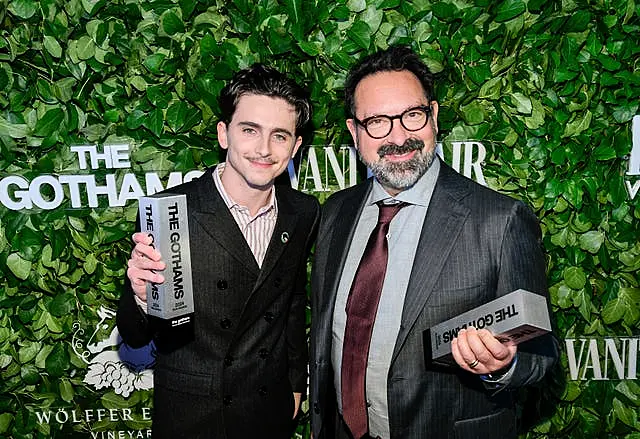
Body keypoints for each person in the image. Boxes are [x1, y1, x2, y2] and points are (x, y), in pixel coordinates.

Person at [310, 46, 559, 439]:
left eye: (412, 114)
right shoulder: (335, 213)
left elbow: (542, 353)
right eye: (377, 121)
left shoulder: (500, 220)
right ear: (354, 132)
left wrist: (505, 363)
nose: (399, 136)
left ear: (435, 116)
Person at [117, 64, 320, 439]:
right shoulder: (170, 212)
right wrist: (141, 298)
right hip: (193, 415)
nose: (263, 149)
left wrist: (295, 384)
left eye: (279, 136)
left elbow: (290, 304)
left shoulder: (302, 211)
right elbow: (133, 335)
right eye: (249, 130)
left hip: (268, 411)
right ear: (223, 134)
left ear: (295, 146)